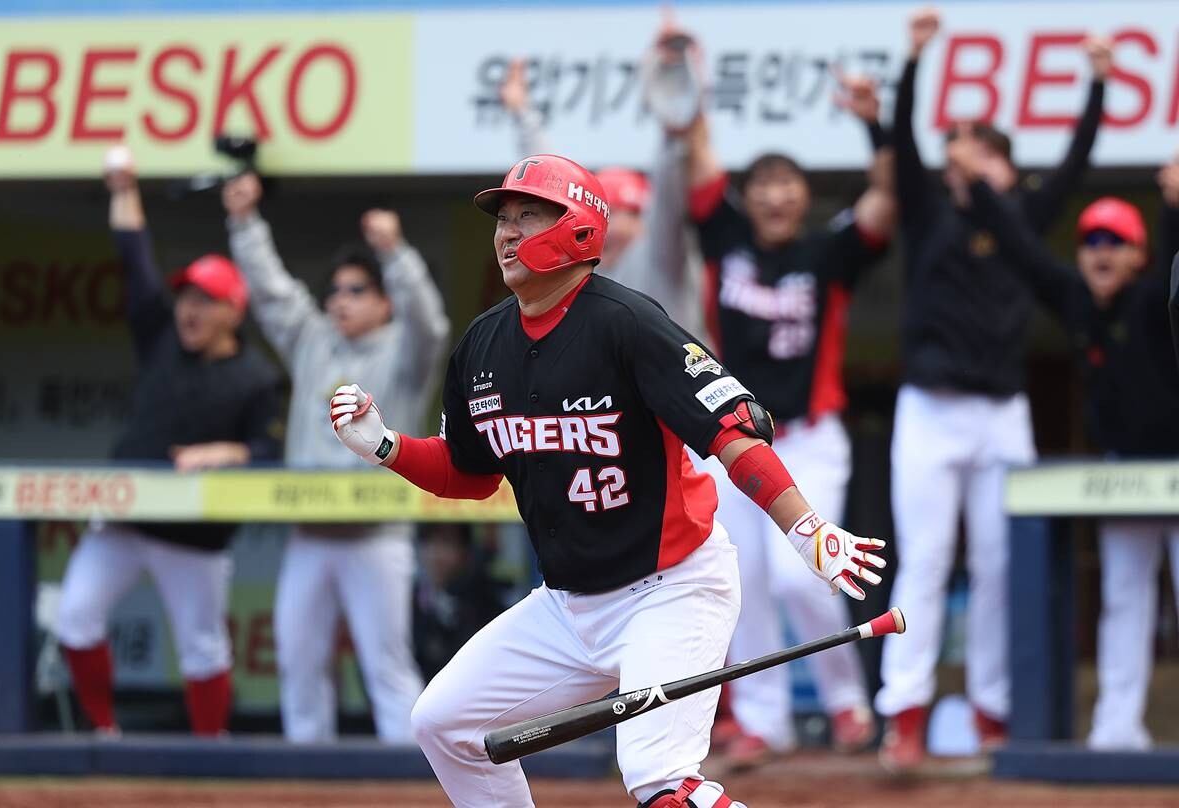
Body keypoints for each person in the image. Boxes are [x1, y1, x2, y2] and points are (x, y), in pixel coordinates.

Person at [328, 154, 887, 807]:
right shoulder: (482, 346)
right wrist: (388, 447)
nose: (506, 234)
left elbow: (732, 433)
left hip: (671, 588)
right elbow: (470, 474)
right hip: (567, 605)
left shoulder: (627, 321)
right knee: (442, 723)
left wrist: (806, 528)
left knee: (659, 781)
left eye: (527, 217)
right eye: (502, 221)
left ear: (580, 230)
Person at [875, 8, 1112, 769]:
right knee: (926, 561)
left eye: (978, 155)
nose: (963, 166)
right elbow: (903, 140)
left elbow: (1076, 163)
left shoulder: (1021, 218)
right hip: (930, 410)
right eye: (958, 156)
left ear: (1005, 165)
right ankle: (903, 718)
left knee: (1002, 571)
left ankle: (992, 714)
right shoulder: (928, 212)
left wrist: (1098, 83)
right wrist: (913, 63)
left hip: (1003, 413)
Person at [676, 72, 896, 766]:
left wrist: (874, 123)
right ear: (751, 195)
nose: (775, 194)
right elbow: (700, 154)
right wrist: (685, 81)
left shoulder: (826, 252)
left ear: (803, 197)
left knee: (803, 570)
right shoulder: (726, 235)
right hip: (732, 438)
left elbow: (887, 198)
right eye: (763, 183)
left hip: (811, 436)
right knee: (744, 582)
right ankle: (764, 724)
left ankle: (848, 707)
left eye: (788, 183)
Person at [55, 146, 282, 736]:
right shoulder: (160, 338)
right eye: (186, 296)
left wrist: (225, 453)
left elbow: (268, 452)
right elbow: (135, 261)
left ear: (234, 311)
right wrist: (123, 189)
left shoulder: (255, 376)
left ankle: (212, 759)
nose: (189, 308)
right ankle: (103, 733)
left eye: (205, 299)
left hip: (195, 534)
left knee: (204, 647)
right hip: (126, 516)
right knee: (76, 617)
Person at [960, 144, 1179, 751]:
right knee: (1124, 600)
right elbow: (1025, 253)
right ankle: (1115, 732)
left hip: (1177, 465)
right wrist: (980, 188)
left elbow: (1175, 263)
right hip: (1122, 471)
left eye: (1116, 240)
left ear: (1140, 254)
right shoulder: (1078, 299)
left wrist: (1173, 206)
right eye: (1091, 240)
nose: (1102, 250)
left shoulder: (1157, 296)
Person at [221, 173, 450, 743]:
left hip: (378, 536)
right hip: (310, 535)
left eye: (355, 291)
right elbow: (272, 290)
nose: (339, 301)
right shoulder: (312, 339)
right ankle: (307, 788)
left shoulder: (404, 348)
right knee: (298, 666)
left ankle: (411, 789)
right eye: (335, 292)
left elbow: (431, 322)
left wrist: (394, 254)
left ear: (383, 302)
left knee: (386, 671)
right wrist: (244, 223)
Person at [498, 25, 707, 340]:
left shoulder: (661, 257)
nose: (602, 226)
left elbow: (667, 195)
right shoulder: (586, 268)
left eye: (615, 213)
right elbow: (553, 183)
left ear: (640, 219)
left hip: (671, 384)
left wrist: (674, 124)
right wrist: (521, 114)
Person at [412, 524, 509, 681]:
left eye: (446, 543)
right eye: (429, 542)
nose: (436, 554)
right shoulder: (409, 602)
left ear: (465, 552)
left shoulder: (486, 606)